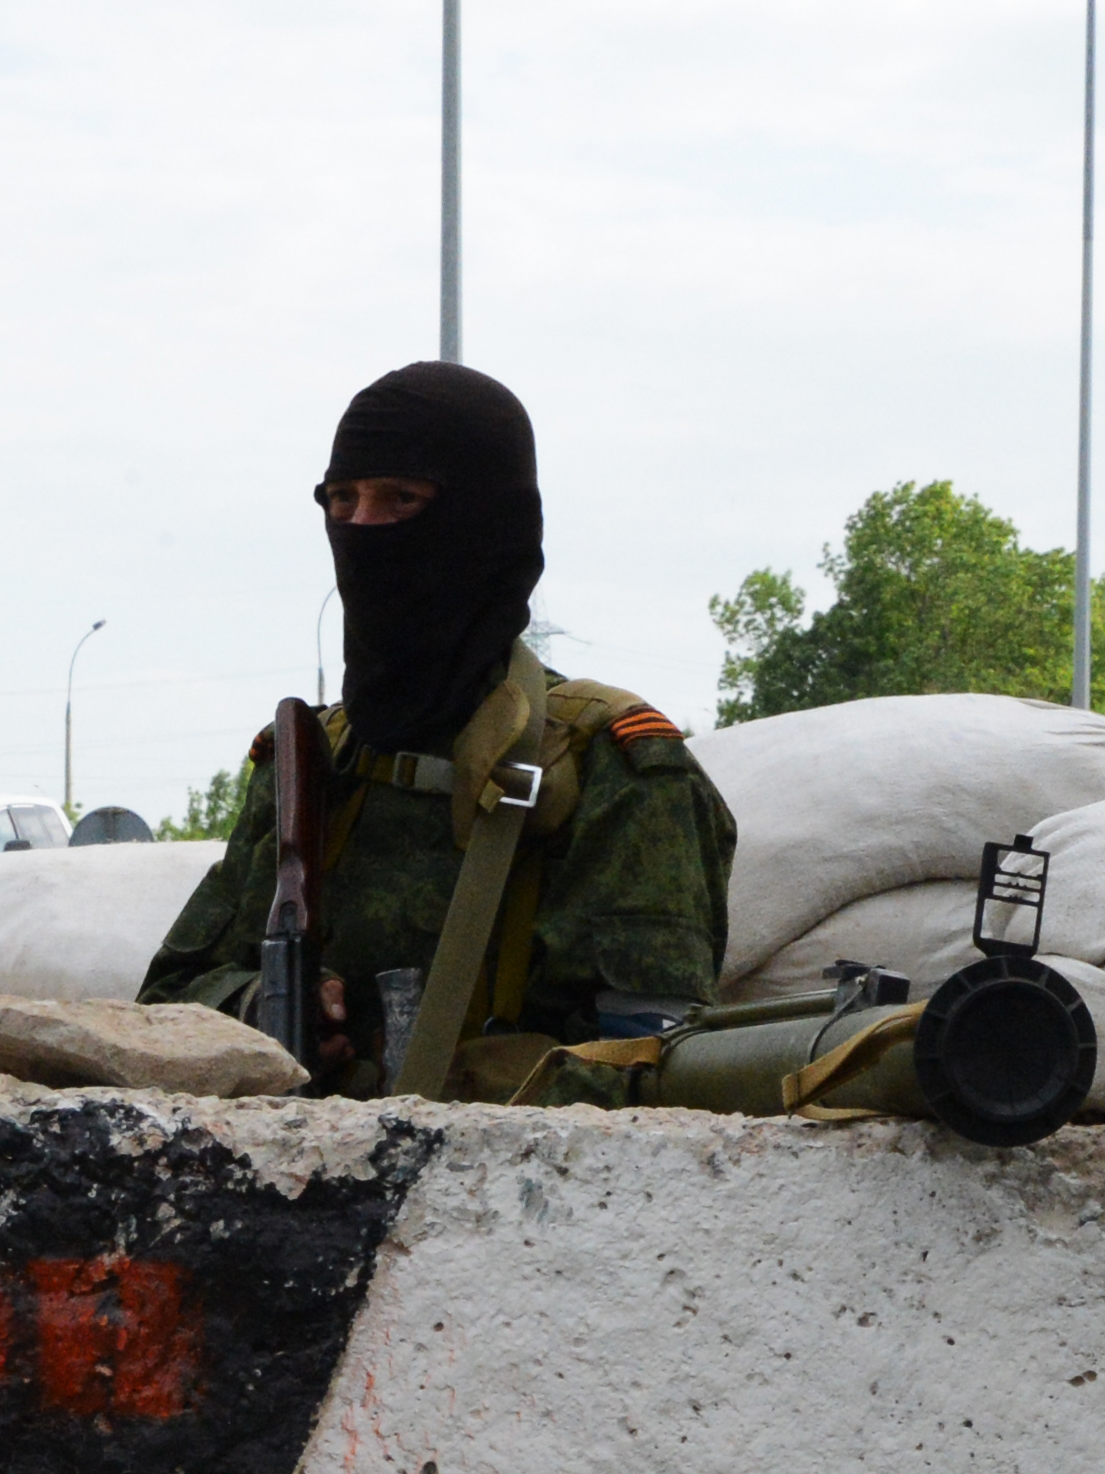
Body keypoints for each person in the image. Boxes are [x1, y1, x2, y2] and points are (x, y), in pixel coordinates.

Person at [138, 362, 737, 1094]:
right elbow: (164, 1002)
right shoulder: (311, 763)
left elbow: (660, 1071)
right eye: (341, 500)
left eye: (400, 500)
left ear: (490, 523)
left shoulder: (611, 769)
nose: (361, 530)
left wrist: (478, 1089)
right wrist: (260, 1007)